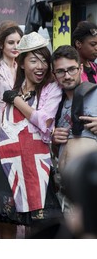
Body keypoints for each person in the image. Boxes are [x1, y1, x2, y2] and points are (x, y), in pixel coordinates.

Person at [0, 31, 63, 238]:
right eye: (34, 60)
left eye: (44, 61)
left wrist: (16, 100)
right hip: (6, 157)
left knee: (38, 225)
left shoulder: (51, 89)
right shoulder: (12, 88)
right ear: (22, 63)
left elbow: (45, 121)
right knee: (6, 219)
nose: (40, 66)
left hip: (36, 161)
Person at [51, 45, 97, 214]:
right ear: (54, 74)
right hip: (64, 187)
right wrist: (53, 137)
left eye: (71, 69)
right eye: (61, 71)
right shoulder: (54, 103)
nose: (67, 75)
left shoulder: (95, 92)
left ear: (80, 68)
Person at [0, 21, 23, 133]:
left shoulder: (22, 69)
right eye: (11, 42)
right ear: (2, 45)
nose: (16, 46)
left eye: (19, 42)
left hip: (20, 124)